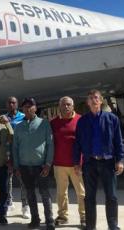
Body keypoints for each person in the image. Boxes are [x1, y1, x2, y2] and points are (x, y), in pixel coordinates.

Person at [73, 89, 124, 230]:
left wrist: (120, 160)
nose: (94, 100)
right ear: (88, 102)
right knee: (89, 197)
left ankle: (113, 225)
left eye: (96, 97)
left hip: (108, 162)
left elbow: (118, 141)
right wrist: (77, 162)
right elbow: (77, 143)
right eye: (91, 98)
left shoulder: (112, 119)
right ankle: (90, 226)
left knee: (112, 196)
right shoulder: (82, 121)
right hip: (89, 163)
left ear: (101, 100)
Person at [13, 98, 55, 230]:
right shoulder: (19, 127)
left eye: (30, 106)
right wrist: (16, 166)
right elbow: (15, 147)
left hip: (41, 166)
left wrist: (48, 164)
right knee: (30, 194)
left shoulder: (44, 124)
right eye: (25, 106)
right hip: (24, 167)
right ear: (22, 109)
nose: (28, 108)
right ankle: (35, 219)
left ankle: (49, 221)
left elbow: (50, 144)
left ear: (35, 108)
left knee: (45, 194)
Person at [50, 96, 85, 227]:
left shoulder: (80, 120)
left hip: (77, 164)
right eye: (63, 105)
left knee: (81, 192)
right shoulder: (53, 123)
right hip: (59, 164)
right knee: (61, 193)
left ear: (73, 106)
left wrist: (81, 162)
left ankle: (84, 216)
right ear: (59, 106)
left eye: (68, 104)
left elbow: (84, 142)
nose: (66, 107)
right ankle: (63, 216)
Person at [3, 96, 29, 219]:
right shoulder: (3, 118)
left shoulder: (24, 117)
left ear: (17, 104)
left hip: (21, 153)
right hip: (8, 153)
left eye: (13, 102)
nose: (11, 104)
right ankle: (9, 203)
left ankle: (25, 206)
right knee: (8, 180)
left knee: (23, 180)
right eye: (9, 103)